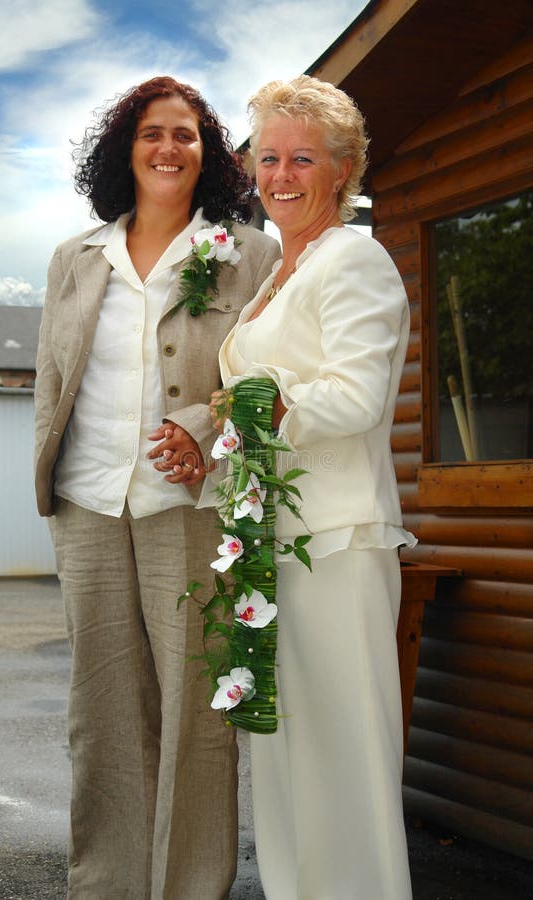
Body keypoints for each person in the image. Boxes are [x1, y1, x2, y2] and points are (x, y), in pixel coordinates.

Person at [34, 75, 280, 900]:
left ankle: (187, 887)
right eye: (151, 134)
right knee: (100, 711)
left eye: (185, 134)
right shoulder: (75, 258)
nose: (168, 148)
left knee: (195, 715)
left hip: (194, 509)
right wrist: (48, 479)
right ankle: (106, 884)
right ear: (124, 150)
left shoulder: (250, 253)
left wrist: (207, 436)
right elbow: (51, 379)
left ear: (208, 154)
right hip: (89, 501)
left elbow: (269, 375)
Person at [209, 75, 416, 899]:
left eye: (303, 158)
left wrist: (253, 407)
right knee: (286, 757)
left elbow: (358, 398)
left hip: (336, 541)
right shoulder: (274, 277)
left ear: (343, 170)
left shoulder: (354, 259)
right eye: (268, 157)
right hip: (271, 548)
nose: (282, 174)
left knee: (345, 762)